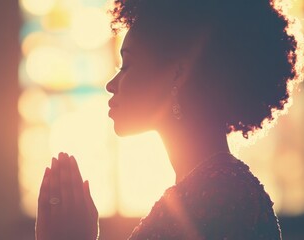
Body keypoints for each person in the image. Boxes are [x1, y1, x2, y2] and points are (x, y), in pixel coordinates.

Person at [35, 0, 302, 239]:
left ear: (177, 74)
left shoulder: (222, 198)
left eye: (126, 65)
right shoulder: (209, 189)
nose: (111, 84)